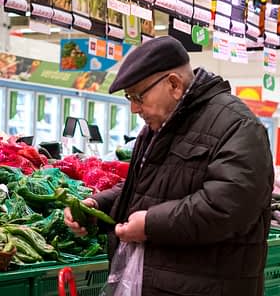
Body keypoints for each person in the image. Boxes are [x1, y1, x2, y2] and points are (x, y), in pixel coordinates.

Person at [64, 35, 274, 296]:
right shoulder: (159, 127)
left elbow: (227, 207)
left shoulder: (238, 126)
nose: (133, 108)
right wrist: (98, 206)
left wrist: (151, 224)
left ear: (174, 84)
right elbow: (148, 187)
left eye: (137, 97)